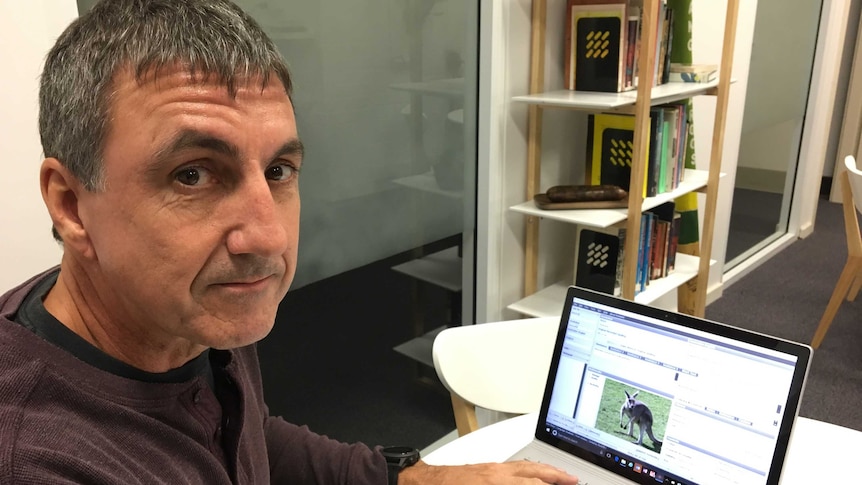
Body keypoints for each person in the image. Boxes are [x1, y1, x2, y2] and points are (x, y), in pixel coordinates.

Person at [0, 1, 579, 484]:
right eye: (193, 174)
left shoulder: (186, 313)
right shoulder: (39, 460)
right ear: (71, 205)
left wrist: (403, 478)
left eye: (278, 170)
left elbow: (249, 434)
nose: (269, 238)